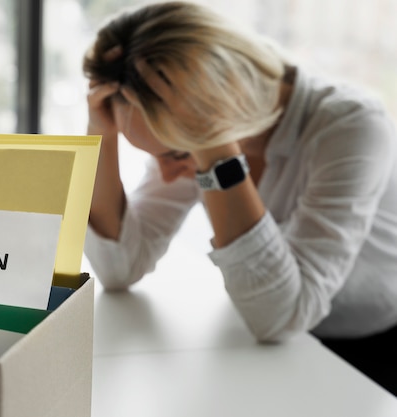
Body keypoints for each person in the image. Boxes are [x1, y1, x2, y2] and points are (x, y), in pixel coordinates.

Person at [82, 1, 397, 395]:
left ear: (224, 101)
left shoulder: (352, 125)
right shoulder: (184, 128)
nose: (167, 175)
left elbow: (280, 318)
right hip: (264, 342)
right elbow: (119, 268)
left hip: (370, 347)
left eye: (177, 154)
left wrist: (212, 151)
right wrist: (99, 136)